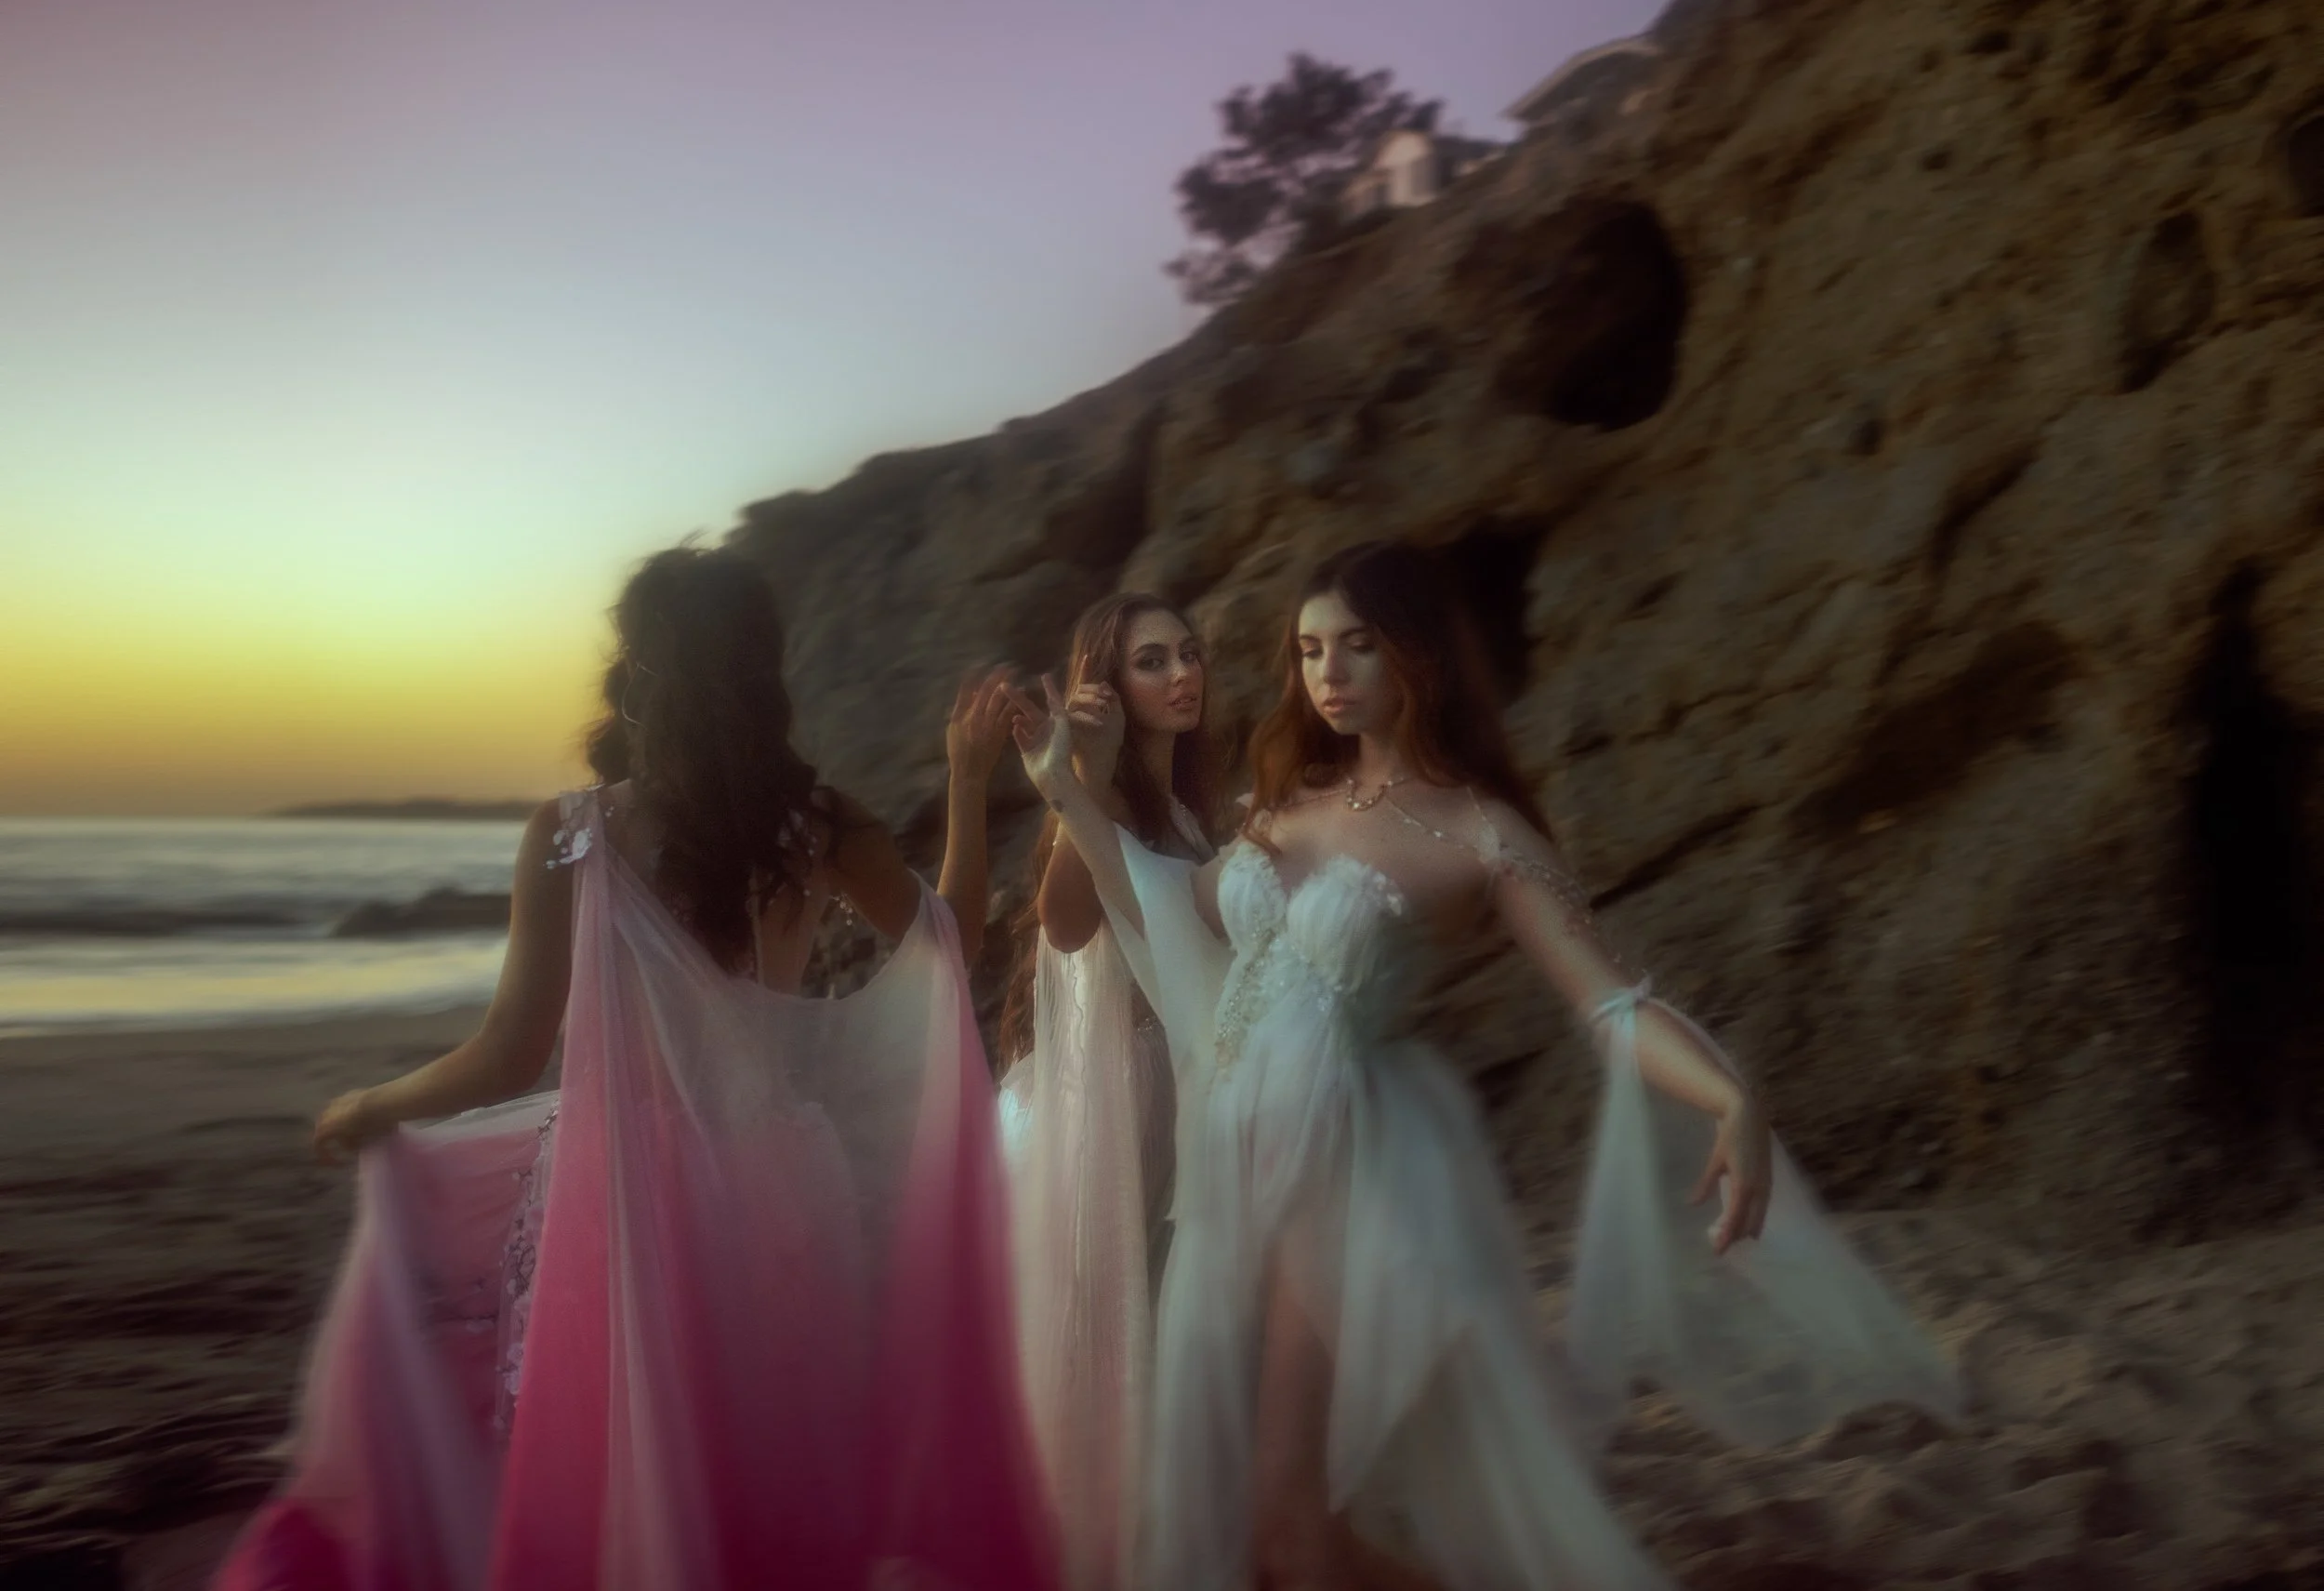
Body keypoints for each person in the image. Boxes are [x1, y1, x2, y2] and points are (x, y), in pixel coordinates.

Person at [1017, 540, 1960, 1591]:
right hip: (1230, 1170)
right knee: (1260, 1539)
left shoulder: (1481, 832)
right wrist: (1067, 789)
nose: (1327, 672)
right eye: (1309, 650)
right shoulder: (1284, 803)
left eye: (1357, 645)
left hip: (1345, 1173)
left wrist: (1728, 1093)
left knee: (1291, 1534)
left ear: (1416, 653)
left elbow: (1609, 1002)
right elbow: (1166, 914)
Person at [218, 546, 1058, 1591]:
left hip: (627, 1196)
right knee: (779, 1476)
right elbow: (949, 944)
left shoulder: (574, 833)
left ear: (641, 671)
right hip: (782, 1181)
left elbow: (510, 1052)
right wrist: (967, 783)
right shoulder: (818, 825)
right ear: (760, 671)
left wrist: (373, 1104)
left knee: (630, 1477)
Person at [995, 591, 1216, 1591]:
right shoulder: (1106, 800)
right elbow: (1066, 923)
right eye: (1151, 660)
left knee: (1177, 1334)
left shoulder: (1187, 811)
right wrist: (1078, 777)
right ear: (1109, 686)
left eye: (1188, 653)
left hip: (1185, 1090)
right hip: (1116, 1104)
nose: (1182, 673)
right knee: (1119, 1342)